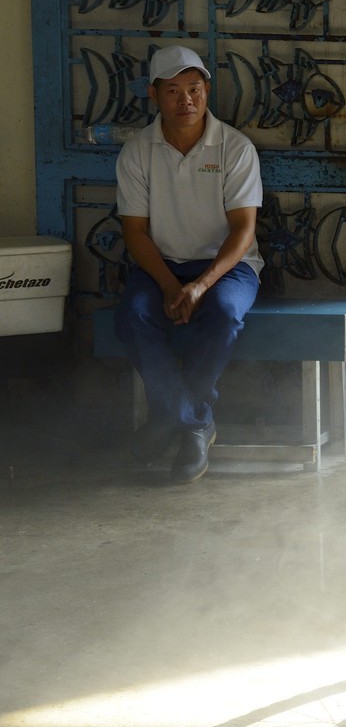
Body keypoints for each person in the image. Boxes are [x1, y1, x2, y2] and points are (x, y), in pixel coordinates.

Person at [114, 44, 263, 484]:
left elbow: (242, 230)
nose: (186, 101)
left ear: (207, 90)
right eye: (174, 91)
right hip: (162, 265)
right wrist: (167, 284)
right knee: (134, 317)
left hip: (227, 268)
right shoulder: (138, 152)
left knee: (224, 313)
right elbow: (136, 232)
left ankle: (175, 421)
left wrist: (200, 285)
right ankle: (191, 422)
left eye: (194, 89)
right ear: (154, 94)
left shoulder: (234, 148)